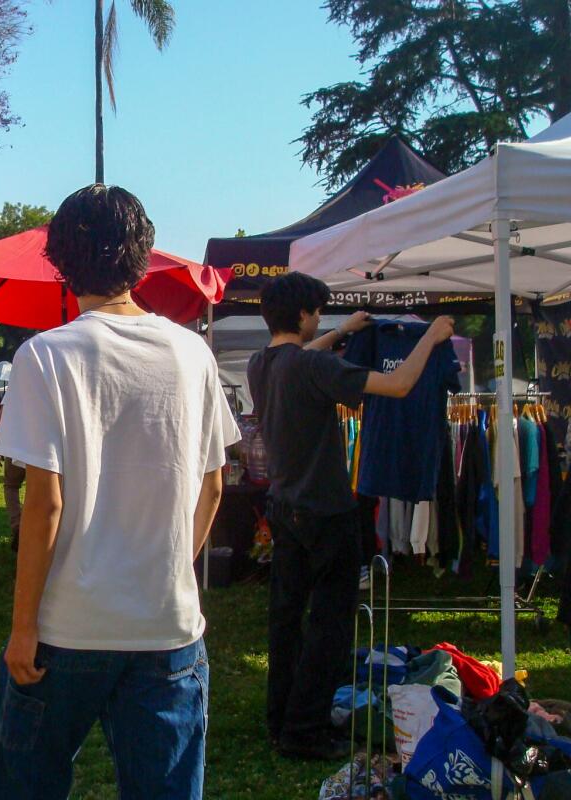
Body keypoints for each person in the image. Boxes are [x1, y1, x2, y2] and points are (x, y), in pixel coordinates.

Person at [0, 184, 240, 799]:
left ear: (62, 262)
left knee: (26, 784)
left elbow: (45, 503)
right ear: (143, 255)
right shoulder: (192, 353)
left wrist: (23, 627)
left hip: (66, 626)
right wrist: (172, 570)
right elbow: (212, 485)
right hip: (167, 624)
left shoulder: (46, 356)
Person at [246, 271, 454, 761]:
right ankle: (306, 731)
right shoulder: (313, 369)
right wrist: (431, 335)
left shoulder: (262, 364)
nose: (320, 318)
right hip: (326, 510)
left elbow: (306, 353)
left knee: (287, 618)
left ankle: (281, 719)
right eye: (317, 312)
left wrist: (340, 331)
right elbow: (400, 385)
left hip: (284, 507)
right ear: (302, 315)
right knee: (330, 624)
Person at [0, 399, 24, 553]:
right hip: (41, 446)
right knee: (37, 488)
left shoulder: (16, 383)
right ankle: (30, 524)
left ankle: (18, 524)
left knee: (11, 486)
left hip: (15, 445)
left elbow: (2, 415)